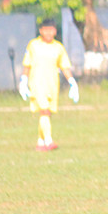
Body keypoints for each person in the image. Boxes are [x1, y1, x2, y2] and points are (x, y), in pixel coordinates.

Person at [19, 18, 80, 151]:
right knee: (44, 110)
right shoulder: (33, 45)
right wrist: (23, 80)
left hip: (52, 84)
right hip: (37, 83)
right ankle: (49, 141)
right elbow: (27, 64)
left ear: (55, 31)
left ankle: (40, 142)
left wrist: (72, 82)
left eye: (51, 30)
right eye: (45, 30)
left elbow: (64, 66)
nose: (48, 32)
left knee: (46, 113)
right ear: (40, 31)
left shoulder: (58, 47)